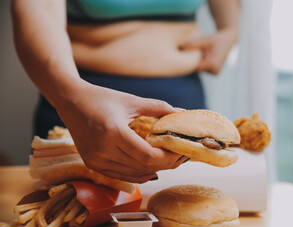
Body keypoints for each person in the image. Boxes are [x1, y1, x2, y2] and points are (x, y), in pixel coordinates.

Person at [11, 0, 240, 183]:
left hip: (186, 101)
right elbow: (38, 6)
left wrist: (230, 28)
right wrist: (71, 99)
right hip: (79, 109)